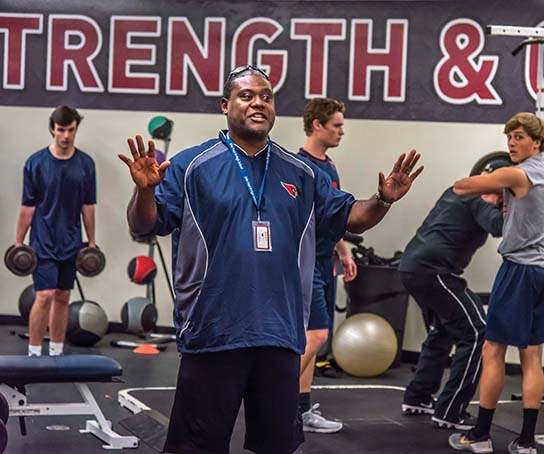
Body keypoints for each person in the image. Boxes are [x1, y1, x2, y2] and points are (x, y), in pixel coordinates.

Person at [117, 65, 423, 454]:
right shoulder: (191, 166)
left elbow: (352, 217)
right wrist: (144, 192)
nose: (258, 102)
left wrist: (383, 199)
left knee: (276, 446)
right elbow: (146, 224)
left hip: (279, 333)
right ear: (225, 106)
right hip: (213, 331)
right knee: (196, 446)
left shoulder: (303, 172)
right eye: (247, 96)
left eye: (266, 95)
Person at [449, 112, 544, 454]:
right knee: (532, 355)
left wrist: (492, 186)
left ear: (536, 143)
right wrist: (503, 195)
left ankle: (480, 435)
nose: (512, 143)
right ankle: (526, 441)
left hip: (519, 271)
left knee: (492, 350)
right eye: (509, 137)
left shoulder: (516, 173)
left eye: (520, 137)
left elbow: (462, 187)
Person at [398, 161, 509, 432]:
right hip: (433, 271)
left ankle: (418, 396)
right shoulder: (478, 199)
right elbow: (497, 226)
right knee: (476, 333)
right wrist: (516, 205)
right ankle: (451, 410)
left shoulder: (457, 189)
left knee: (443, 331)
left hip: (413, 267)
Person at [296, 97, 357, 433]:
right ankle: (273, 402)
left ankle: (300, 410)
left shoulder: (329, 166)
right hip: (304, 263)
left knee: (311, 337)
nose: (341, 132)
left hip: (324, 260)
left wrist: (343, 251)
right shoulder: (298, 167)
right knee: (316, 336)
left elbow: (331, 216)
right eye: (336, 126)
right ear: (317, 125)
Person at [16, 105, 96, 357]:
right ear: (53, 129)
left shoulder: (85, 164)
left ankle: (57, 352)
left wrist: (91, 241)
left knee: (62, 296)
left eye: (70, 130)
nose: (66, 136)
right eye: (61, 130)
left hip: (71, 241)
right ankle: (34, 352)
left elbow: (88, 206)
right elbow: (27, 207)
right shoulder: (36, 163)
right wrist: (18, 242)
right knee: (45, 295)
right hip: (43, 240)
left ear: (75, 129)